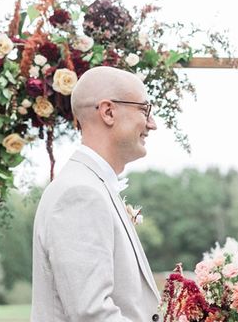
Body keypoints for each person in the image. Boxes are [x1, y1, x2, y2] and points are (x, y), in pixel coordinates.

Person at [31, 66, 160, 322]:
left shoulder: (92, 185)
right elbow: (92, 314)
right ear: (108, 112)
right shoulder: (80, 194)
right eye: (145, 110)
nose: (152, 124)